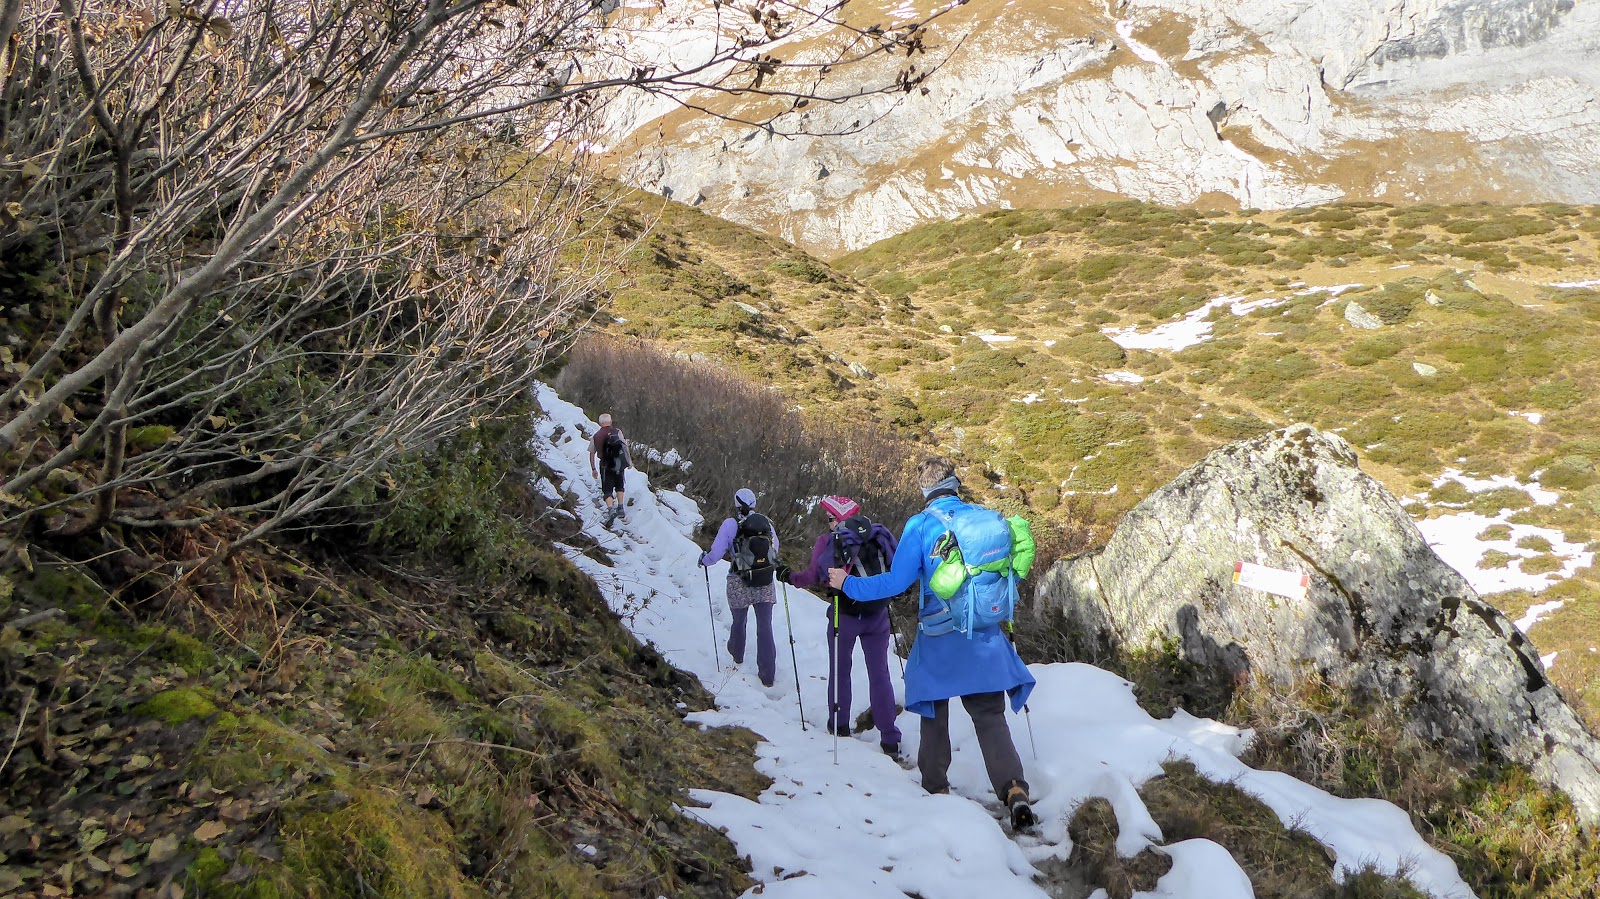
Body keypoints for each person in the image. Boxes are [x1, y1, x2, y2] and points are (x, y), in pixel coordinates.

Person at [828, 458, 1038, 829]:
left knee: (932, 708)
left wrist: (849, 585)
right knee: (990, 716)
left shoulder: (921, 525)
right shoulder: (984, 517)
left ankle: (936, 788)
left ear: (924, 490)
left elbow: (895, 583)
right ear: (955, 484)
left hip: (940, 634)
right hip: (984, 630)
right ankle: (1014, 790)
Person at [780, 495, 904, 758]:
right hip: (878, 613)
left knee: (840, 671)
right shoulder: (877, 536)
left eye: (830, 518)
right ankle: (890, 738)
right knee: (880, 674)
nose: (829, 523)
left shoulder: (829, 541)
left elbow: (813, 576)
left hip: (844, 614)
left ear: (837, 518)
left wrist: (789, 577)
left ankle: (840, 726)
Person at [700, 488, 778, 687]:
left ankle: (737, 654)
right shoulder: (766, 524)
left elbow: (716, 553)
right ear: (754, 504)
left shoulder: (730, 524)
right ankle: (768, 675)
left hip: (738, 580)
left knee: (739, 620)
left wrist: (704, 560)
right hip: (764, 580)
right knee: (765, 626)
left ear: (736, 504)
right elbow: (775, 549)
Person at [588, 413, 633, 526]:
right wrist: (629, 461)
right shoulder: (617, 432)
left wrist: (593, 469)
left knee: (607, 489)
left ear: (600, 423)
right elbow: (624, 446)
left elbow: (592, 453)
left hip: (605, 464)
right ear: (610, 421)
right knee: (619, 485)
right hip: (618, 463)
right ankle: (621, 508)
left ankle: (610, 509)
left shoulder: (596, 436)